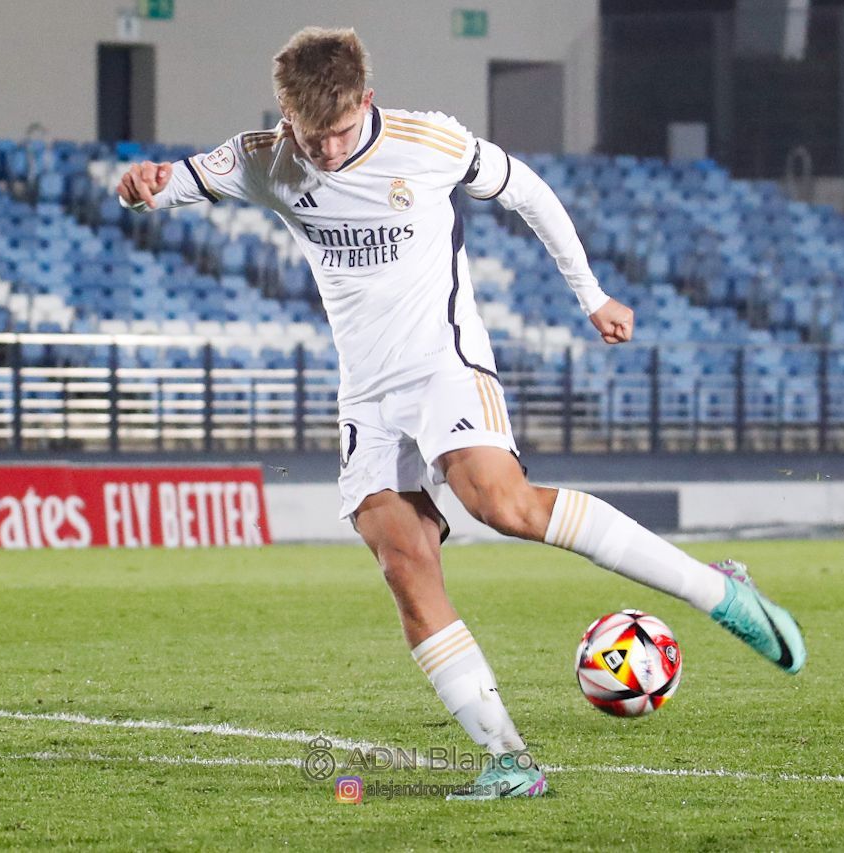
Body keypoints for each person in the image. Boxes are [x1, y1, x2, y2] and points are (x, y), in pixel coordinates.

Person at [117, 26, 806, 801]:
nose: (329, 152)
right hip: (366, 394)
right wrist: (140, 185)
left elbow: (529, 192)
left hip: (442, 362)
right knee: (403, 564)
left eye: (341, 131)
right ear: (286, 119)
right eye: (312, 137)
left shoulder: (428, 143)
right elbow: (166, 184)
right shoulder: (265, 159)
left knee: (501, 504)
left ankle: (719, 592)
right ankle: (509, 760)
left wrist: (592, 295)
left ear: (366, 101)